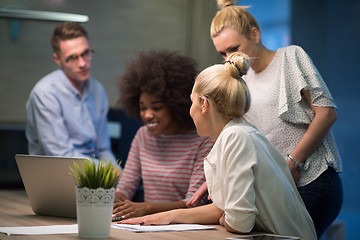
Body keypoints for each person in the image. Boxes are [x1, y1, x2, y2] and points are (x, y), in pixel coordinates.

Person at [118, 52, 317, 240]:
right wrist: (163, 217)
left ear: (204, 104)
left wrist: (226, 217)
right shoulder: (235, 134)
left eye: (192, 103)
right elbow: (220, 209)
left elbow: (239, 222)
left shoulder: (236, 138)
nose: (190, 111)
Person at [207, 0, 343, 238]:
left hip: (312, 180)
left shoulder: (290, 57)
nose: (229, 58)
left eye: (233, 48)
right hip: (278, 187)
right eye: (222, 53)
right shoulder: (241, 82)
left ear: (255, 34)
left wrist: (292, 163)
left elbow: (326, 113)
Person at [112, 50, 214, 219]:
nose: (147, 115)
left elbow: (193, 203)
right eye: (143, 107)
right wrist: (115, 196)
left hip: (185, 228)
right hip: (148, 226)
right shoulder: (142, 136)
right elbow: (127, 186)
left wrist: (146, 208)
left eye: (156, 107)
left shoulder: (202, 140)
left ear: (175, 105)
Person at [26, 22, 117, 165]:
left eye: (85, 53)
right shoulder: (45, 94)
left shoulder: (98, 90)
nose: (82, 63)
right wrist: (105, 170)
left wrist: (117, 171)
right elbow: (61, 156)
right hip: (56, 177)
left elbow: (103, 149)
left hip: (93, 175)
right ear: (58, 60)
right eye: (72, 58)